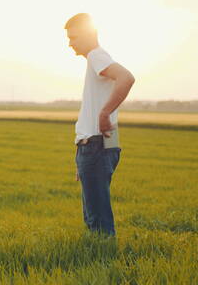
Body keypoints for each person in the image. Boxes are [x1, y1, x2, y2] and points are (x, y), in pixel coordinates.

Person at [65, 13, 135, 236]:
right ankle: (98, 255)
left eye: (74, 37)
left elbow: (127, 77)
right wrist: (85, 157)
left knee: (98, 219)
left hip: (95, 146)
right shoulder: (96, 59)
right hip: (96, 147)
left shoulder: (96, 55)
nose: (70, 43)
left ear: (88, 34)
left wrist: (105, 113)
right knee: (94, 213)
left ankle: (102, 260)